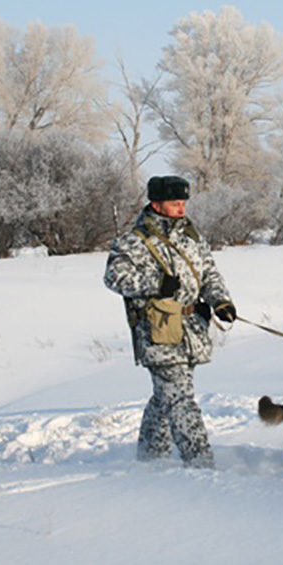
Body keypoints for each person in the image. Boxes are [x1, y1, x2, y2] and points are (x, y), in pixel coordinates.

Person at [104, 176, 236, 468]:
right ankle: (201, 462)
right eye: (175, 204)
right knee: (179, 398)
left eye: (183, 203)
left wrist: (221, 302)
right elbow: (114, 278)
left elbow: (210, 274)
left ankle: (151, 456)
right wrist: (156, 283)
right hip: (157, 330)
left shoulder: (192, 238)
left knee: (167, 395)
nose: (181, 209)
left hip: (191, 329)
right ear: (156, 204)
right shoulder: (134, 242)